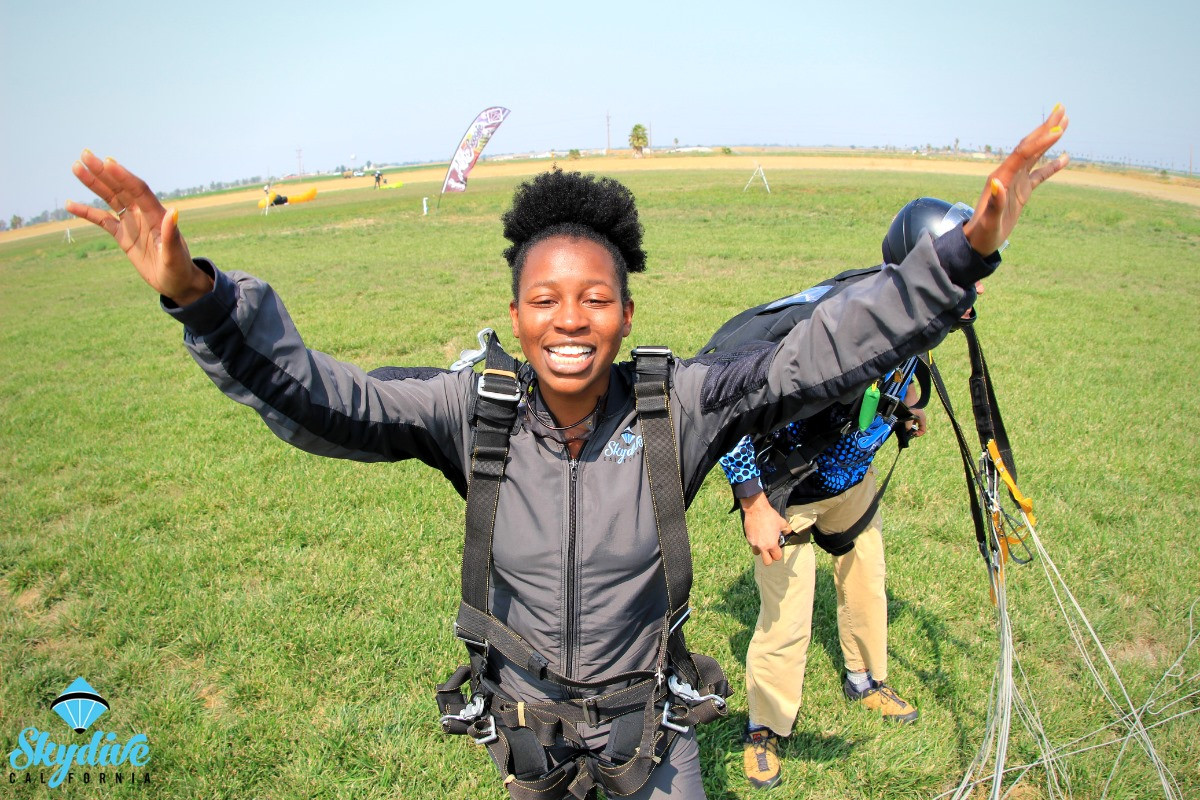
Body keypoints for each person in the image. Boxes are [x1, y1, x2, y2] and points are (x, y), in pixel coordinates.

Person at [65, 109, 1067, 799]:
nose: (570, 318)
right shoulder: (474, 414)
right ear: (514, 313)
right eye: (545, 298)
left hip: (657, 741)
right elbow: (330, 398)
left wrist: (959, 260)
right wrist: (202, 301)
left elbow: (819, 348)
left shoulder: (686, 402)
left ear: (626, 313)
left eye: (595, 296)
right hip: (532, 745)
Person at [726, 199, 987, 790]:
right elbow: (733, 410)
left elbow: (898, 375)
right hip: (785, 493)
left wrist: (904, 412)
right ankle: (766, 726)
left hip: (851, 484)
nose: (968, 296)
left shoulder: (915, 319)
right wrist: (752, 504)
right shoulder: (837, 327)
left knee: (867, 579)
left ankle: (866, 679)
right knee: (786, 616)